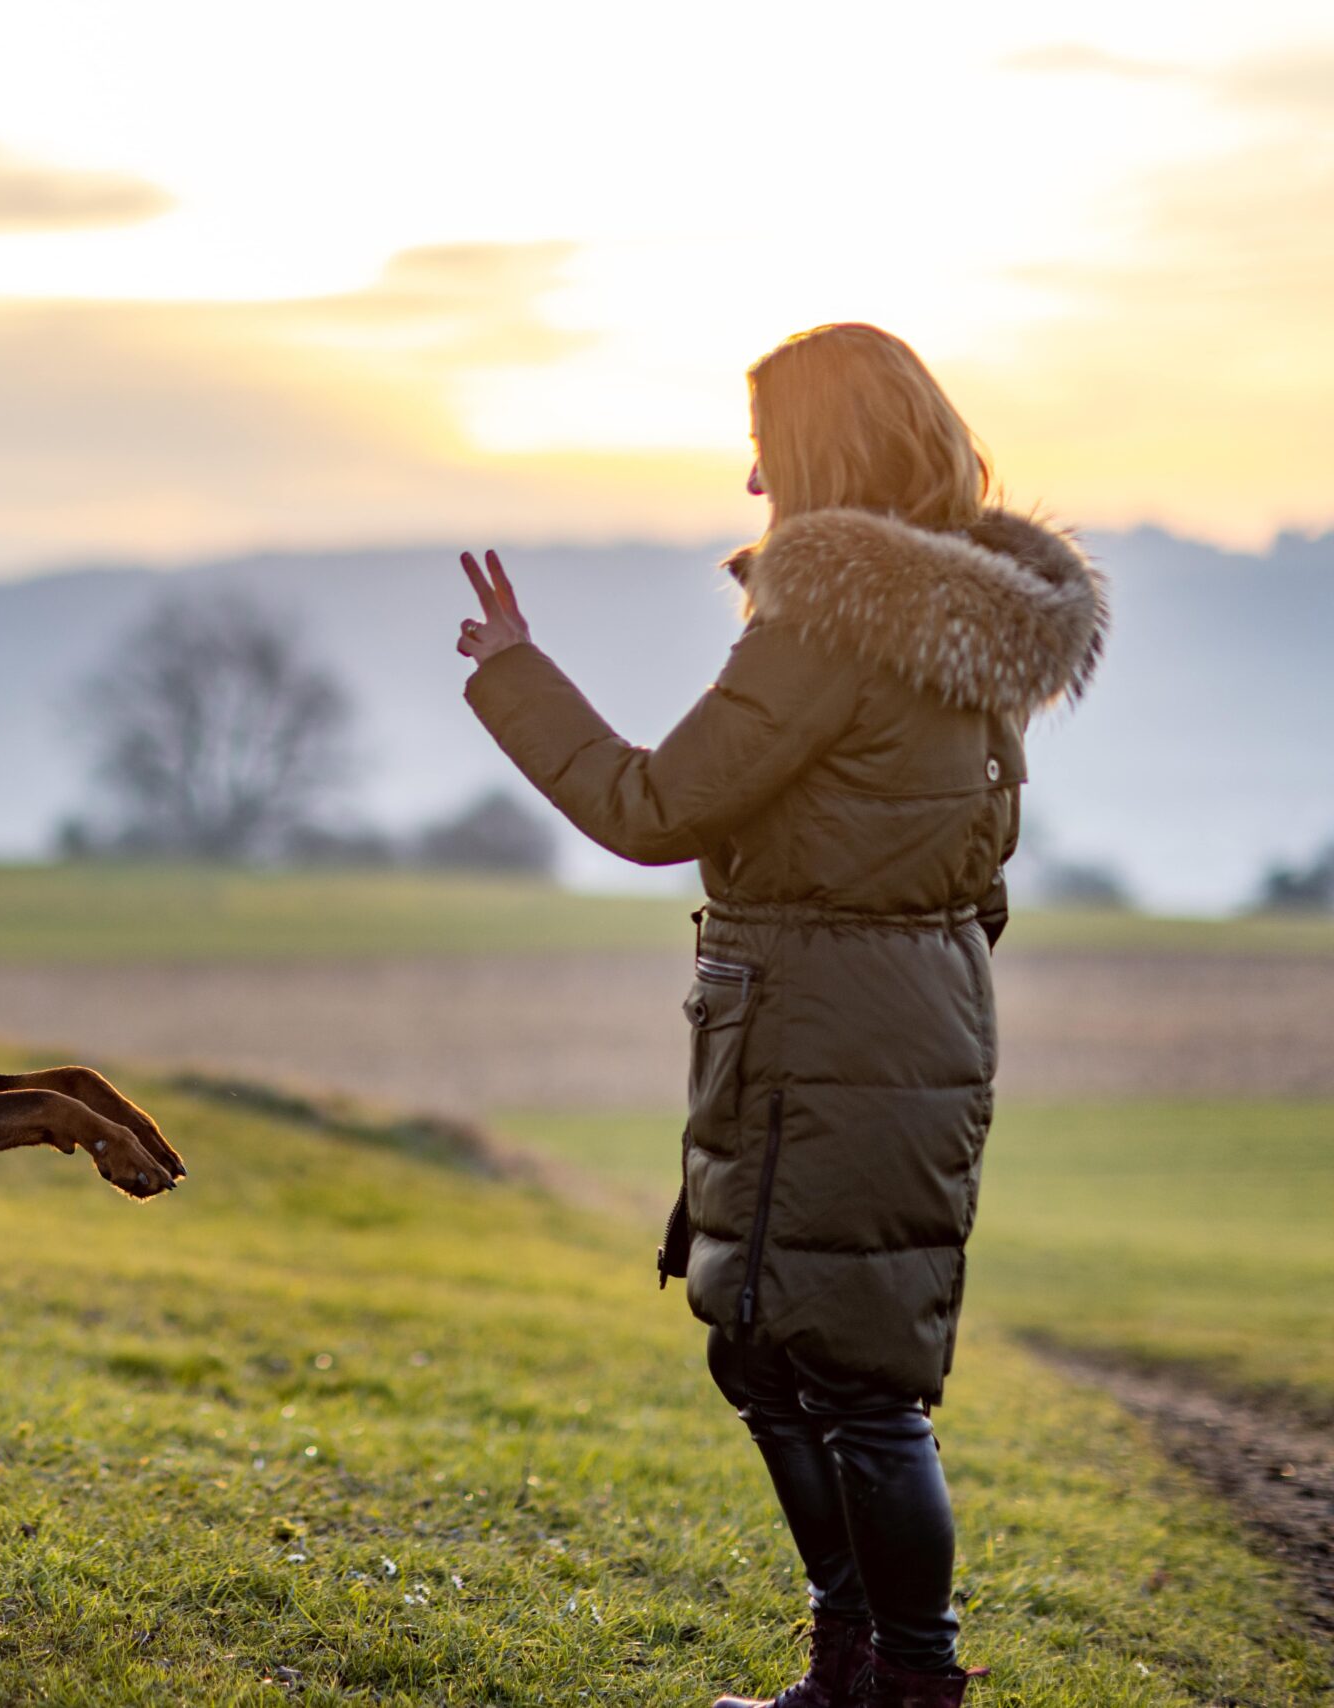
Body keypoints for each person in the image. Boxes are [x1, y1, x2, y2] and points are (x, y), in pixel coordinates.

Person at [452, 323, 1108, 1708]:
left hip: (826, 1031)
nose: (752, 483)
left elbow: (652, 807)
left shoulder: (831, 624)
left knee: (854, 1378)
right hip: (901, 1017)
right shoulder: (968, 616)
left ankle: (905, 1684)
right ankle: (859, 1664)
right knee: (765, 1345)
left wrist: (513, 671)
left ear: (813, 451)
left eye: (763, 446)